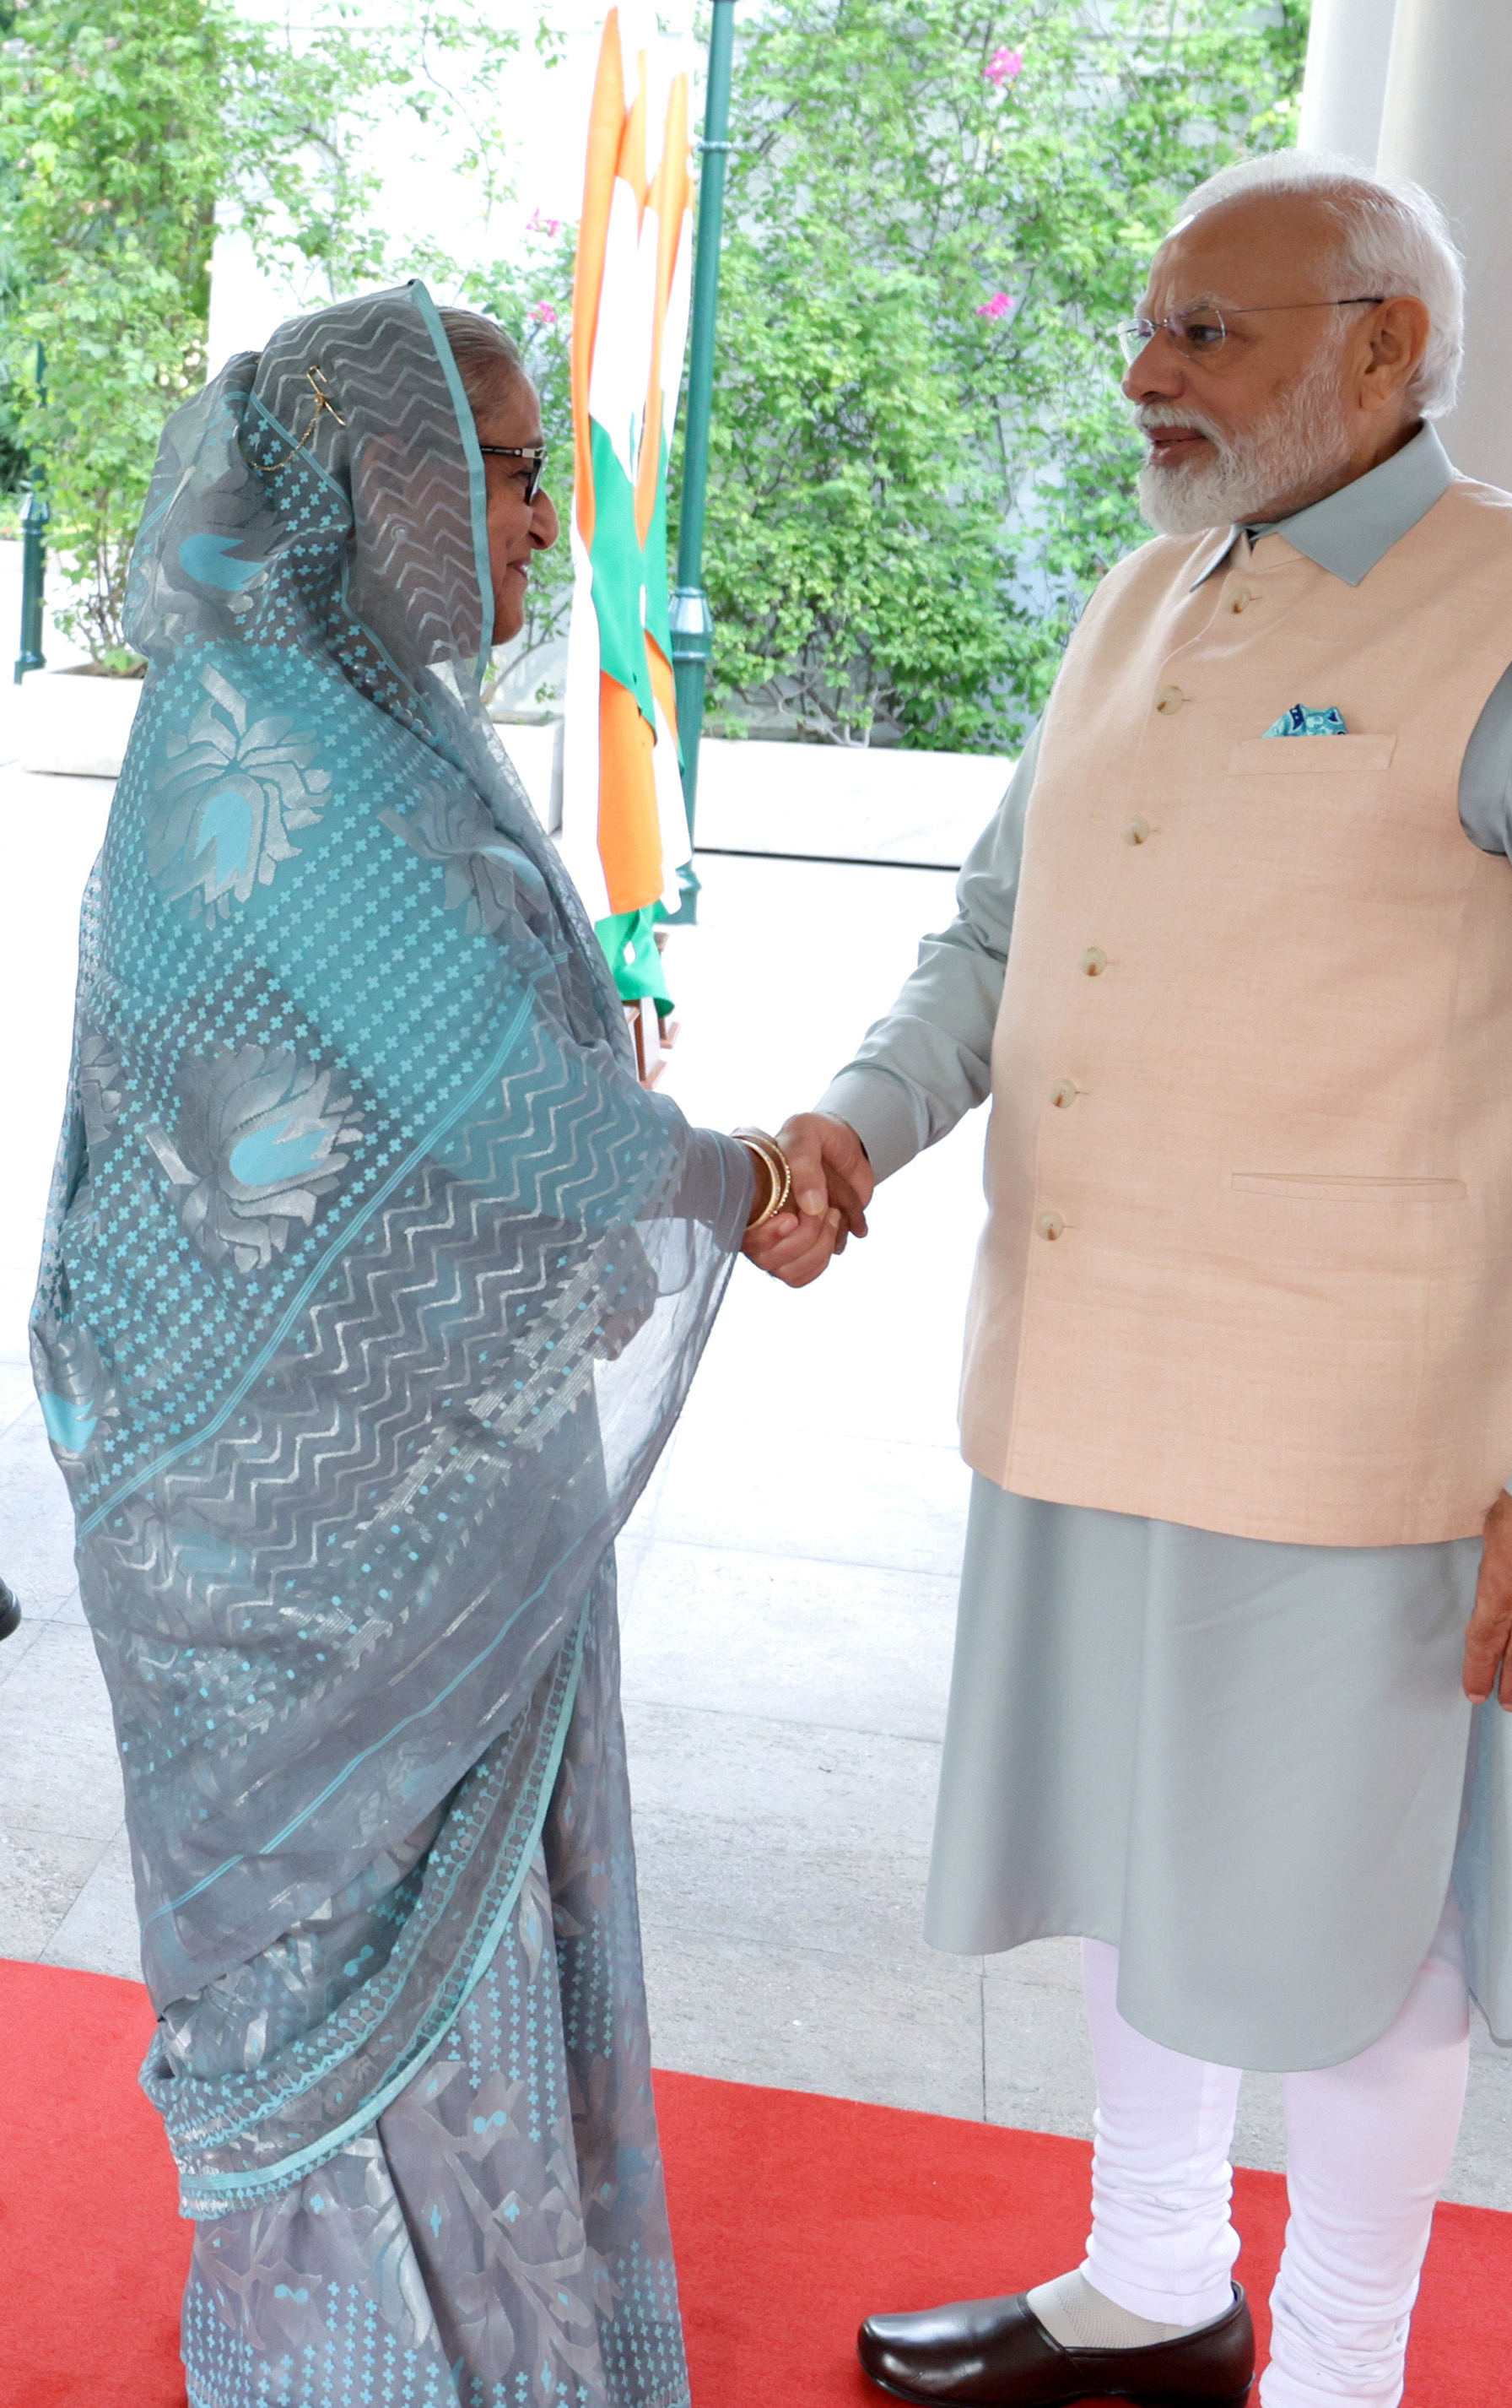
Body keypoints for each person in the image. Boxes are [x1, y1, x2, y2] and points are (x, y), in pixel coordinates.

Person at [744, 153, 1512, 2408]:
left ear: (1386, 344)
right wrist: (858, 1118)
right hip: (1084, 1387)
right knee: (1142, 1851)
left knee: (1360, 1935)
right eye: (1151, 324)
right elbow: (992, 943)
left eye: (1208, 329)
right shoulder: (1138, 599)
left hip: (1360, 1450)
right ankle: (1148, 2275)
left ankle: (1335, 2368)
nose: (1147, 369)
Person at [32, 283, 802, 2408]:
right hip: (296, 1515)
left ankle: (494, 2340)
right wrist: (737, 1179)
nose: (550, 521)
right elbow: (498, 1095)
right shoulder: (270, 733)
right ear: (367, 476)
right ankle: (354, 2365)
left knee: (468, 1933)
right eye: (510, 465)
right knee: (342, 1957)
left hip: (426, 1466)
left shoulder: (367, 709)